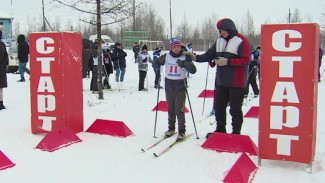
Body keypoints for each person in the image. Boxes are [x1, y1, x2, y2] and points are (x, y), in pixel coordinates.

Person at [183, 18, 250, 137]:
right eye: (219, 31)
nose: (221, 33)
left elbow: (246, 60)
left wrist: (228, 62)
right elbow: (208, 56)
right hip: (221, 81)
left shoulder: (241, 41)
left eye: (223, 31)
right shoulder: (219, 42)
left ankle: (236, 133)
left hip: (236, 82)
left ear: (230, 29)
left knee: (235, 110)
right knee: (219, 107)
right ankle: (220, 130)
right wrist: (194, 57)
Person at [153, 37, 196, 141]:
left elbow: (193, 70)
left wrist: (185, 64)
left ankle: (182, 131)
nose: (177, 49)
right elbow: (155, 63)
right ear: (171, 48)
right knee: (171, 109)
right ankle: (171, 128)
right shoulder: (166, 56)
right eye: (174, 47)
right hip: (169, 85)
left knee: (179, 110)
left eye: (178, 46)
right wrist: (157, 62)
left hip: (180, 86)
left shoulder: (185, 56)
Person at [0, 30, 9, 110]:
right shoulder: (2, 45)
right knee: (0, 88)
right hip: (1, 70)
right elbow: (6, 57)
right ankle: (0, 103)